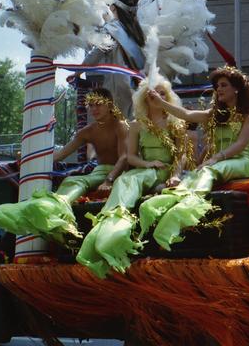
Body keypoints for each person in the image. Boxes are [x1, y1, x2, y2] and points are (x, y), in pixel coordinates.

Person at [76, 79, 191, 277]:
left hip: (165, 169)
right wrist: (148, 164)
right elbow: (130, 156)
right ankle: (109, 228)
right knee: (124, 179)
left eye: (163, 93)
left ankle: (118, 227)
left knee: (132, 179)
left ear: (169, 97)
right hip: (145, 169)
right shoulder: (137, 125)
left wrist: (175, 175)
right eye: (154, 93)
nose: (158, 97)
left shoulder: (175, 123)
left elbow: (182, 154)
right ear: (144, 98)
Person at [0, 88, 129, 244]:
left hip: (122, 172)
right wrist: (29, 157)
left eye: (98, 105)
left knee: (78, 181)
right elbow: (60, 155)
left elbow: (124, 157)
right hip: (99, 171)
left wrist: (109, 180)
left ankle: (57, 213)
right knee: (70, 181)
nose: (94, 109)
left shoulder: (120, 125)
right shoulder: (87, 131)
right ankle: (52, 210)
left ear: (109, 105)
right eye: (91, 105)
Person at [138, 65, 249, 251]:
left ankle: (182, 214)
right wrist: (161, 103)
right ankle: (170, 202)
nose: (218, 89)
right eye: (217, 86)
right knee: (199, 172)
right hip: (219, 163)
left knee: (208, 170)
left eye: (223, 85)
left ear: (236, 88)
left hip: (242, 161)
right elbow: (186, 115)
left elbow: (241, 144)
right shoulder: (215, 114)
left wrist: (216, 158)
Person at [79, 0, 146, 118]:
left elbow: (97, 52)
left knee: (117, 125)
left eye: (109, 5)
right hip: (137, 85)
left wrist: (78, 71)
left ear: (114, 8)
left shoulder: (112, 28)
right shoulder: (136, 31)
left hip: (119, 84)